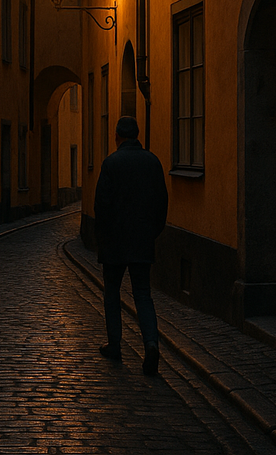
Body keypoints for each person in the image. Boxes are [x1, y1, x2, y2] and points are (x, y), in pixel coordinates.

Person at [94, 115, 169, 375]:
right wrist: (151, 233)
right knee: (143, 295)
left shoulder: (111, 163)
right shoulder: (153, 162)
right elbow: (162, 203)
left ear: (117, 136)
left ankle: (115, 344)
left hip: (114, 243)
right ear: (137, 135)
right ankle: (150, 344)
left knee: (112, 294)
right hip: (142, 241)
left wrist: (102, 237)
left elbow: (101, 206)